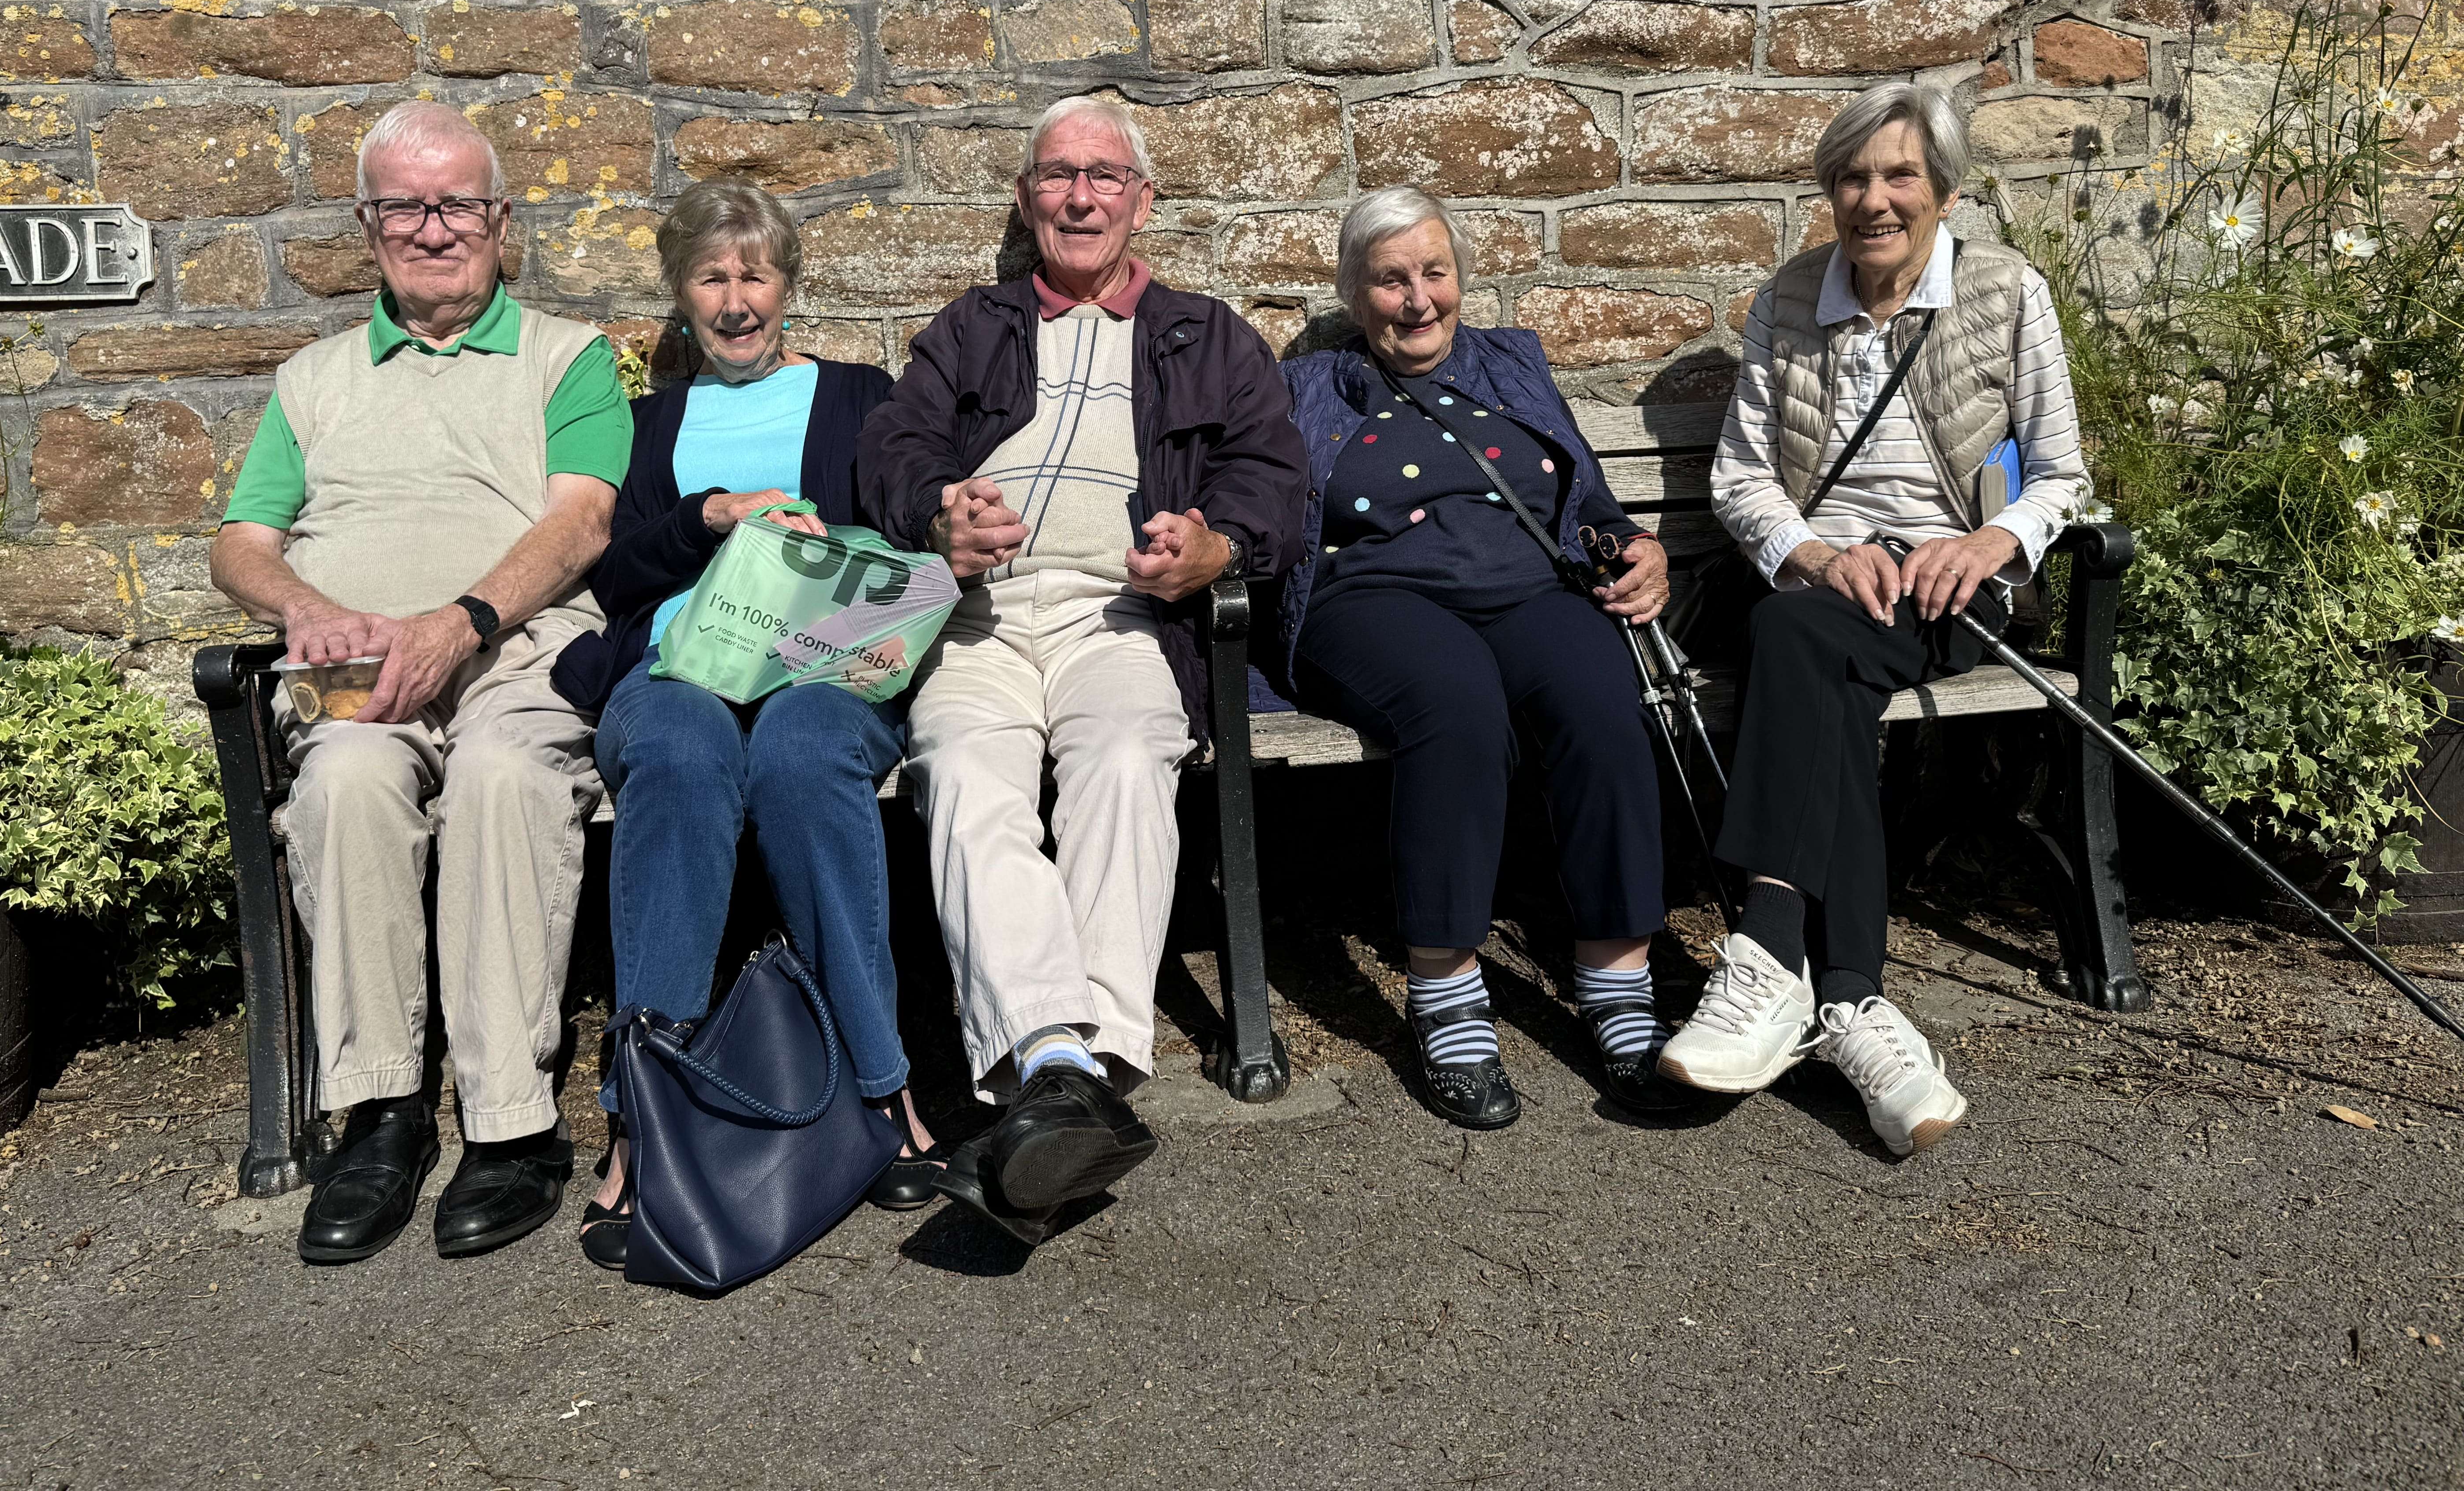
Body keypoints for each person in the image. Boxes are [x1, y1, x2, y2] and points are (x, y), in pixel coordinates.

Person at [857, 94, 1308, 1245]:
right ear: (1027, 200)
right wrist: (938, 513)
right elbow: (893, 450)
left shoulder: (1206, 335)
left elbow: (1275, 478)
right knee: (962, 776)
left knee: (1120, 755)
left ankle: (1072, 1069)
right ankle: (1074, 1076)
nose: (1080, 195)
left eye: (1105, 176)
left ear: (1141, 200)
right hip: (981, 618)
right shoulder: (975, 326)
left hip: (1128, 616)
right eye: (1058, 175)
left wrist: (1212, 547)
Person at [210, 100, 632, 1263]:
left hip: (518, 648)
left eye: (457, 203)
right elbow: (242, 539)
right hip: (354, 671)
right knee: (342, 778)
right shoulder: (313, 379)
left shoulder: (567, 357)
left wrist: (463, 621)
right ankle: (382, 1112)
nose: (433, 227)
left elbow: (583, 521)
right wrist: (299, 605)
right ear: (368, 222)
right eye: (406, 204)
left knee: (504, 772)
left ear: (499, 220)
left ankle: (513, 1125)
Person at [1667, 80, 2091, 1156]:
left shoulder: (2005, 293)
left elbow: (2061, 474)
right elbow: (1742, 478)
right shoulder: (1790, 298)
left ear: (1943, 192)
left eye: (1900, 174)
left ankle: (1767, 957)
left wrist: (1992, 544)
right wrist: (1812, 553)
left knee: (1788, 639)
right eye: (1853, 178)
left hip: (1951, 588)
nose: (1875, 199)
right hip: (1827, 588)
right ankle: (1858, 1009)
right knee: (1815, 654)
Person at [547, 180, 937, 1273]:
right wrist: (706, 518)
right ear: (678, 296)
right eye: (711, 278)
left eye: (753, 274)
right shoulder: (647, 424)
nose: (734, 300)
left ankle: (879, 1084)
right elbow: (614, 577)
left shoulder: (864, 396)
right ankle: (644, 1118)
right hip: (680, 668)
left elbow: (914, 526)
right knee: (675, 755)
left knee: (808, 756)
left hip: (823, 668)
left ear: (788, 283)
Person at [1271, 185, 1681, 1128]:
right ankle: (1447, 991)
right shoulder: (1312, 387)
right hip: (1372, 599)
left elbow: (1592, 500)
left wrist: (1637, 548)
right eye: (1389, 281)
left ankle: (1618, 981)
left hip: (1529, 590)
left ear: (1460, 278)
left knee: (1601, 695)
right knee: (1455, 708)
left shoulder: (1513, 361)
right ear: (1352, 293)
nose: (1417, 300)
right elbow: (1266, 511)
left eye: (1434, 273)